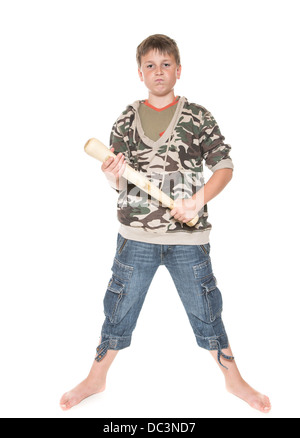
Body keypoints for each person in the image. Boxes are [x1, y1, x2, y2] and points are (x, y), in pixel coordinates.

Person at [60, 34, 271, 413]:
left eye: (166, 64)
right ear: (140, 72)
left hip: (189, 238)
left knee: (207, 309)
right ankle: (97, 376)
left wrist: (198, 199)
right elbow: (119, 181)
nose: (159, 71)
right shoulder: (126, 118)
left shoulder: (198, 116)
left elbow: (225, 166)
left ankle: (233, 379)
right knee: (119, 307)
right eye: (151, 65)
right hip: (135, 237)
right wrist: (112, 173)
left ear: (179, 69)